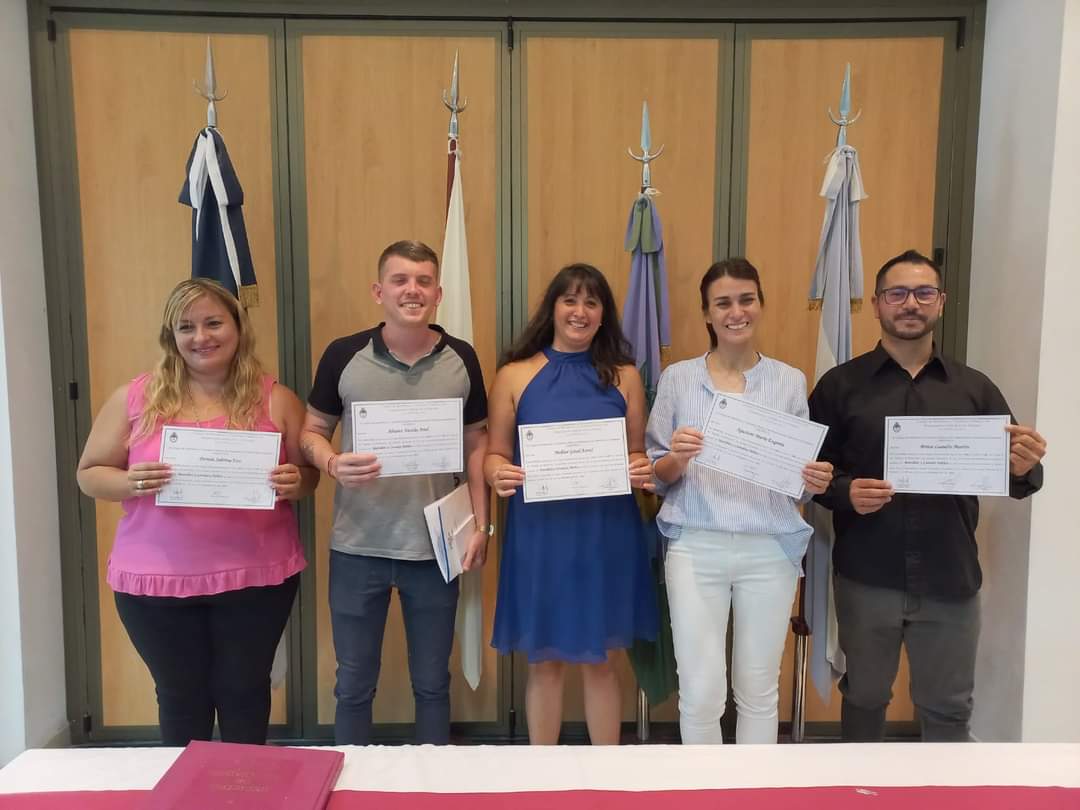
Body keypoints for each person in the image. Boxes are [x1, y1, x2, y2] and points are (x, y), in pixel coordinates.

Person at [809, 248, 1047, 742]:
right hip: (866, 575)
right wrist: (845, 491)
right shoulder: (840, 386)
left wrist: (1025, 468)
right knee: (865, 698)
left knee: (948, 710)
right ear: (876, 304)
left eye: (922, 293)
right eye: (897, 294)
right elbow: (808, 473)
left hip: (950, 577)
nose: (910, 304)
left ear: (940, 302)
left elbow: (1014, 475)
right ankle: (860, 793)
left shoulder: (975, 390)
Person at [76, 278, 316, 745]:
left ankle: (247, 791)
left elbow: (308, 475)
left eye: (213, 323)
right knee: (181, 697)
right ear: (171, 336)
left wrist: (295, 481)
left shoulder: (276, 398)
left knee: (245, 693)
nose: (201, 337)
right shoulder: (134, 398)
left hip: (256, 581)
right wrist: (130, 481)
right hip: (156, 586)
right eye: (186, 327)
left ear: (237, 327)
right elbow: (88, 473)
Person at [300, 240, 490, 746]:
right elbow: (310, 431)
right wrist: (332, 461)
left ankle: (430, 788)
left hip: (434, 547)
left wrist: (482, 524)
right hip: (357, 546)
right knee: (353, 685)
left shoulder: (462, 358)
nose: (413, 290)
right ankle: (353, 786)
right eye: (401, 280)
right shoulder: (344, 355)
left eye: (424, 281)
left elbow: (477, 443)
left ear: (438, 292)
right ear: (379, 291)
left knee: (432, 684)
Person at [644, 258, 833, 744]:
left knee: (757, 688)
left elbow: (800, 483)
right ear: (707, 314)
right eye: (723, 303)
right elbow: (657, 474)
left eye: (746, 299)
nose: (736, 312)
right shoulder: (678, 379)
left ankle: (755, 794)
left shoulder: (789, 381)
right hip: (695, 545)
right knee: (702, 691)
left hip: (769, 547)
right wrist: (678, 459)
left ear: (761, 305)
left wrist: (814, 477)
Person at [485, 262, 658, 746]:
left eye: (591, 302)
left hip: (607, 535)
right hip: (542, 536)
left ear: (604, 314)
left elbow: (637, 452)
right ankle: (545, 781)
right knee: (545, 662)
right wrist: (497, 473)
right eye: (570, 300)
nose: (580, 311)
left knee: (604, 661)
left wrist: (641, 467)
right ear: (553, 308)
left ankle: (606, 781)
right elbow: (494, 454)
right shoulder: (514, 375)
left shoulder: (624, 376)